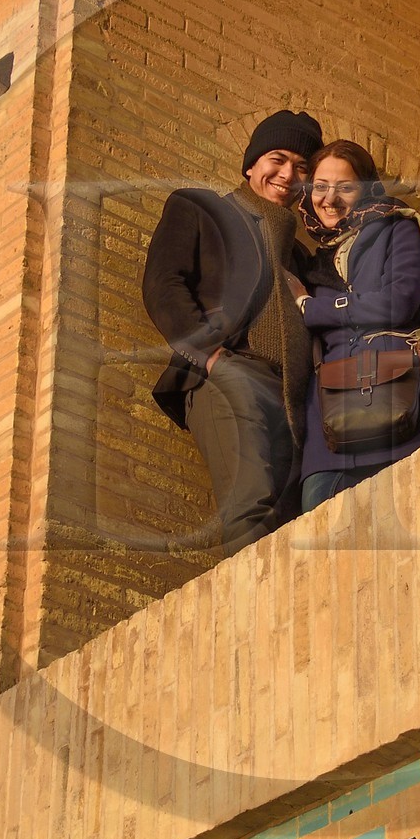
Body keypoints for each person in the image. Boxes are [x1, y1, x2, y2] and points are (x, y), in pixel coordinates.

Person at [141, 110, 324, 554]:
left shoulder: (302, 258)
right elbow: (163, 284)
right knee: (250, 505)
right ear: (250, 165)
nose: (288, 175)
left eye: (302, 168)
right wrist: (210, 357)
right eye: (277, 160)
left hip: (296, 397)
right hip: (232, 373)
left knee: (295, 526)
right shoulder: (203, 209)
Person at [289, 140, 420, 513]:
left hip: (404, 399)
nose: (329, 198)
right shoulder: (312, 262)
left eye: (345, 187)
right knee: (321, 522)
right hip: (333, 416)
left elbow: (397, 302)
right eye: (320, 186)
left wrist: (315, 308)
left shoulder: (395, 226)